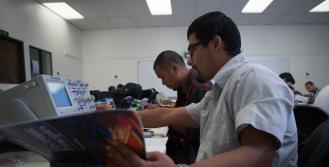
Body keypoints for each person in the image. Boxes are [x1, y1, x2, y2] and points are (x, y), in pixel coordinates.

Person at [107, 11, 297, 167]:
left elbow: (259, 155)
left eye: (192, 50)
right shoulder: (220, 91)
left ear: (216, 43)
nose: (189, 60)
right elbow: (167, 116)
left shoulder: (253, 78)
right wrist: (112, 119)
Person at [152, 50, 213, 164]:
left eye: (162, 77)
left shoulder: (198, 86)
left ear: (175, 68)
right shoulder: (183, 86)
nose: (163, 83)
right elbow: (182, 111)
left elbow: (195, 132)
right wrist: (161, 111)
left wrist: (162, 117)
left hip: (195, 153)